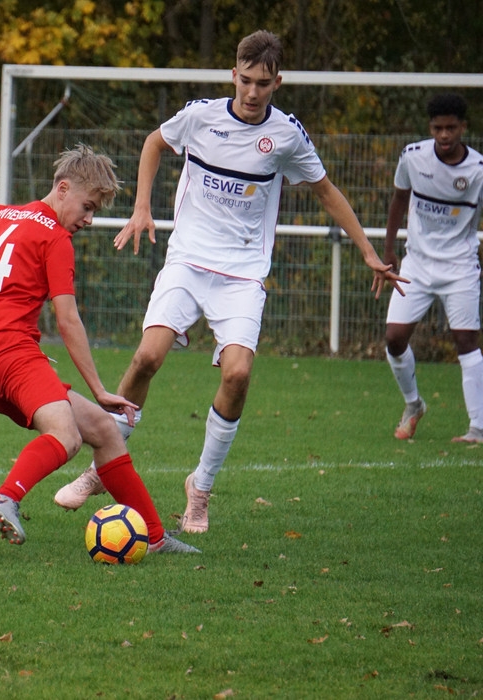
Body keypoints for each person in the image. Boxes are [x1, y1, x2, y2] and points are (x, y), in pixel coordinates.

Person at [53, 30, 407, 535]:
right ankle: (103, 467)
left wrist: (369, 252)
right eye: (245, 80)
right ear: (233, 74)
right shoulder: (200, 116)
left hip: (242, 274)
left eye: (263, 83)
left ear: (277, 82)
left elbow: (326, 191)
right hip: (188, 262)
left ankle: (200, 487)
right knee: (147, 358)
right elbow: (155, 142)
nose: (252, 91)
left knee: (238, 374)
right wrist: (141, 207)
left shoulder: (286, 135)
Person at [0, 144, 198, 553]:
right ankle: (5, 496)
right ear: (62, 188)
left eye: (95, 211)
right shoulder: (54, 237)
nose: (88, 219)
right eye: (87, 207)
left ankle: (155, 537)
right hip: (13, 354)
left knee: (102, 431)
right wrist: (100, 388)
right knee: (66, 437)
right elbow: (67, 320)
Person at [383, 93, 483, 444]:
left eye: (451, 128)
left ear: (463, 128)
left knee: (466, 341)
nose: (444, 135)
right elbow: (399, 199)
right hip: (418, 264)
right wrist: (389, 250)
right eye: (438, 128)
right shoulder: (413, 157)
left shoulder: (478, 171)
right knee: (394, 338)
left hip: (460, 266)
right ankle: (414, 404)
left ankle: (478, 428)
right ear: (430, 128)